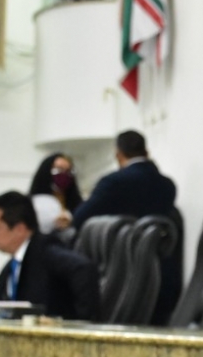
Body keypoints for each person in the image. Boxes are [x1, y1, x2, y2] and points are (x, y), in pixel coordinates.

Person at [72, 130, 182, 324]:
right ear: (146, 151)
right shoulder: (167, 185)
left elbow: (80, 218)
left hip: (121, 275)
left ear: (118, 154)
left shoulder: (113, 182)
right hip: (161, 273)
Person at [0, 190, 101, 321]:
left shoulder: (46, 252)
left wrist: (75, 324)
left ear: (19, 229)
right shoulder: (15, 264)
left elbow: (83, 269)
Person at [28, 152, 83, 233]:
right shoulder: (33, 203)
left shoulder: (78, 205)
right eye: (59, 169)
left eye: (68, 171)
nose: (64, 174)